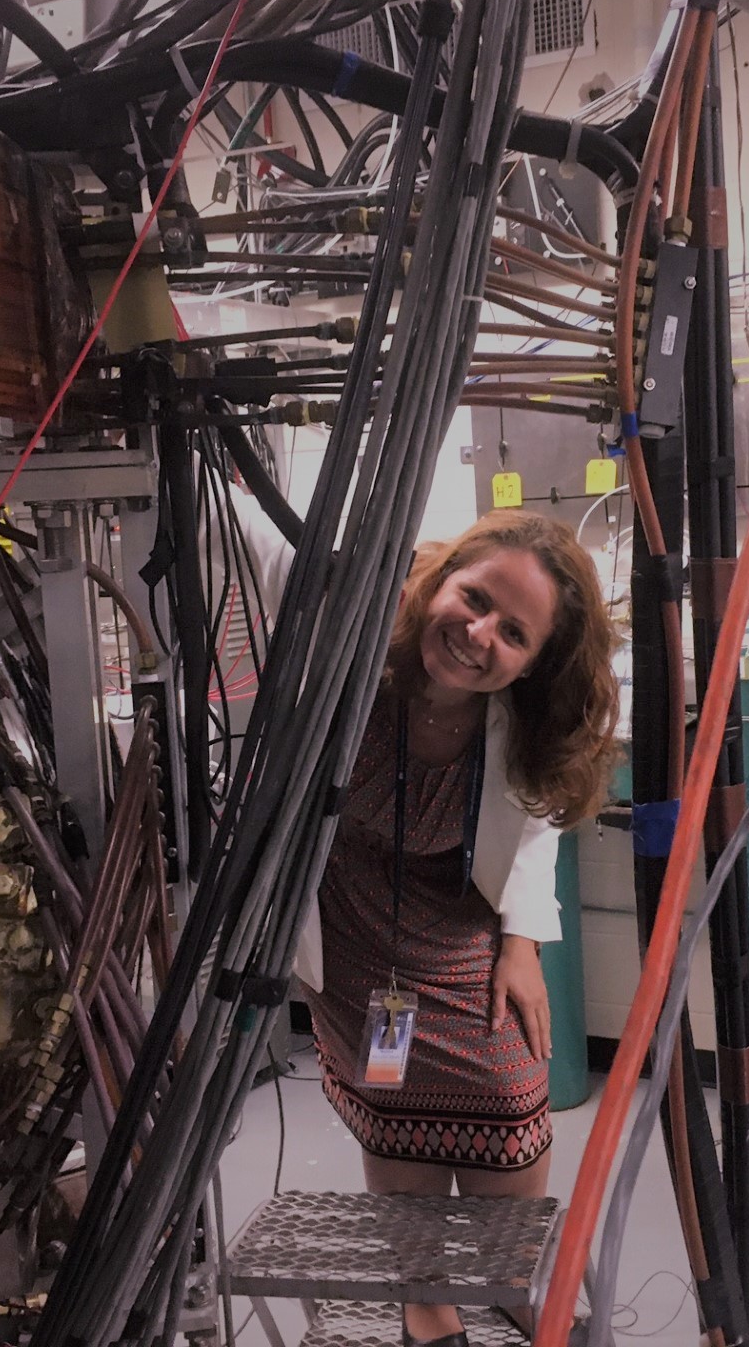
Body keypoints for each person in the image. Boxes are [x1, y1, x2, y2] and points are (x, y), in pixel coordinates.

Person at [254, 507, 619, 1347]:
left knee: (506, 1090)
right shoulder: (353, 648)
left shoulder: (524, 723)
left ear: (533, 663)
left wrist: (522, 942)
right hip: (352, 928)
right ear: (438, 580)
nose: (479, 633)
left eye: (515, 633)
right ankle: (428, 1306)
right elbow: (257, 540)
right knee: (391, 1107)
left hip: (457, 924)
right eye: (476, 597)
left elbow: (534, 822)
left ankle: (506, 1279)